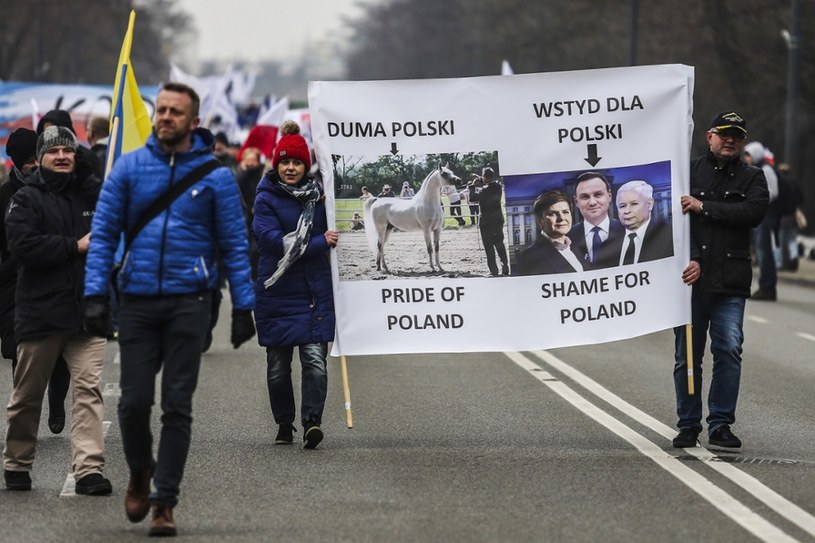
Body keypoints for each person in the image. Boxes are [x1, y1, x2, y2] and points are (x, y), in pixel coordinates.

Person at [83, 82, 256, 536]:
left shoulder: (215, 175)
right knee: (134, 403)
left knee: (177, 405)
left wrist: (244, 305)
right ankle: (141, 469)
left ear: (193, 122)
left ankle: (164, 502)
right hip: (137, 299)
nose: (164, 117)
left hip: (190, 301)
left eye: (175, 112)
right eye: (160, 110)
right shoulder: (129, 168)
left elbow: (235, 244)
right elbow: (103, 234)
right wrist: (95, 295)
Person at [3, 125, 112, 494]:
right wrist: (74, 246)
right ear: (41, 158)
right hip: (41, 315)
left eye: (69, 150)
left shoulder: (92, 195)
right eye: (54, 152)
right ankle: (17, 464)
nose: (62, 156)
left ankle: (89, 471)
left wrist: (92, 178)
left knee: (88, 393)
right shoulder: (27, 198)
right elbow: (22, 245)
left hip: (88, 314)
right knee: (27, 396)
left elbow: (118, 227)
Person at [672, 111, 768, 450]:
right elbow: (676, 224)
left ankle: (721, 425)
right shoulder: (687, 171)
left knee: (728, 350)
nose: (730, 139)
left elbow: (752, 213)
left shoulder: (753, 176)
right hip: (691, 281)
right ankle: (688, 424)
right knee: (688, 356)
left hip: (731, 280)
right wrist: (693, 257)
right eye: (724, 133)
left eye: (737, 135)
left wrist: (703, 207)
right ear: (709, 135)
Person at [253, 120, 337, 450]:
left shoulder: (320, 199)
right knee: (278, 367)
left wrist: (335, 208)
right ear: (278, 164)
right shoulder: (265, 199)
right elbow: (272, 241)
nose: (291, 168)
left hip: (314, 293)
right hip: (277, 293)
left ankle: (312, 422)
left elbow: (340, 234)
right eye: (286, 162)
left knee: (315, 362)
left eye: (297, 162)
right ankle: (284, 423)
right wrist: (319, 242)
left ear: (306, 165)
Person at [1, 129, 39, 374]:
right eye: (28, 162)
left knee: (58, 361)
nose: (35, 165)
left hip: (51, 283)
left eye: (38, 158)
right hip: (13, 287)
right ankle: (25, 413)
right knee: (20, 356)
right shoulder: (3, 196)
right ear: (16, 163)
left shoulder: (57, 188)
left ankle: (57, 414)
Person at [743, 141, 780, 301]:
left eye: (749, 155)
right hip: (760, 216)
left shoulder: (766, 170)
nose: (746, 158)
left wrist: (756, 200)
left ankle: (767, 287)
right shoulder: (757, 169)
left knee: (764, 253)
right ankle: (765, 286)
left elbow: (773, 192)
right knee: (761, 252)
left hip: (765, 216)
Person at [516, 190, 584, 275]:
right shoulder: (529, 257)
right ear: (540, 221)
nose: (561, 218)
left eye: (565, 212)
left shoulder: (575, 248)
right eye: (552, 213)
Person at [567, 171, 625, 269]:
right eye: (585, 197)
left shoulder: (626, 231)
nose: (592, 202)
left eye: (598, 194)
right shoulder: (567, 237)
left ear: (609, 196)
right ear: (576, 202)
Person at [615, 180, 673, 265]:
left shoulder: (669, 236)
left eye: (634, 204)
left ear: (650, 204)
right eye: (622, 206)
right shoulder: (608, 242)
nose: (627, 211)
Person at [478, 167, 509, 276]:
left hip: (486, 222)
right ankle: (505, 266)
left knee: (489, 247)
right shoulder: (498, 186)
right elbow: (489, 186)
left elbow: (473, 198)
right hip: (498, 219)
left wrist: (472, 185)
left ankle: (494, 271)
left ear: (484, 177)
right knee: (500, 244)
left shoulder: (483, 190)